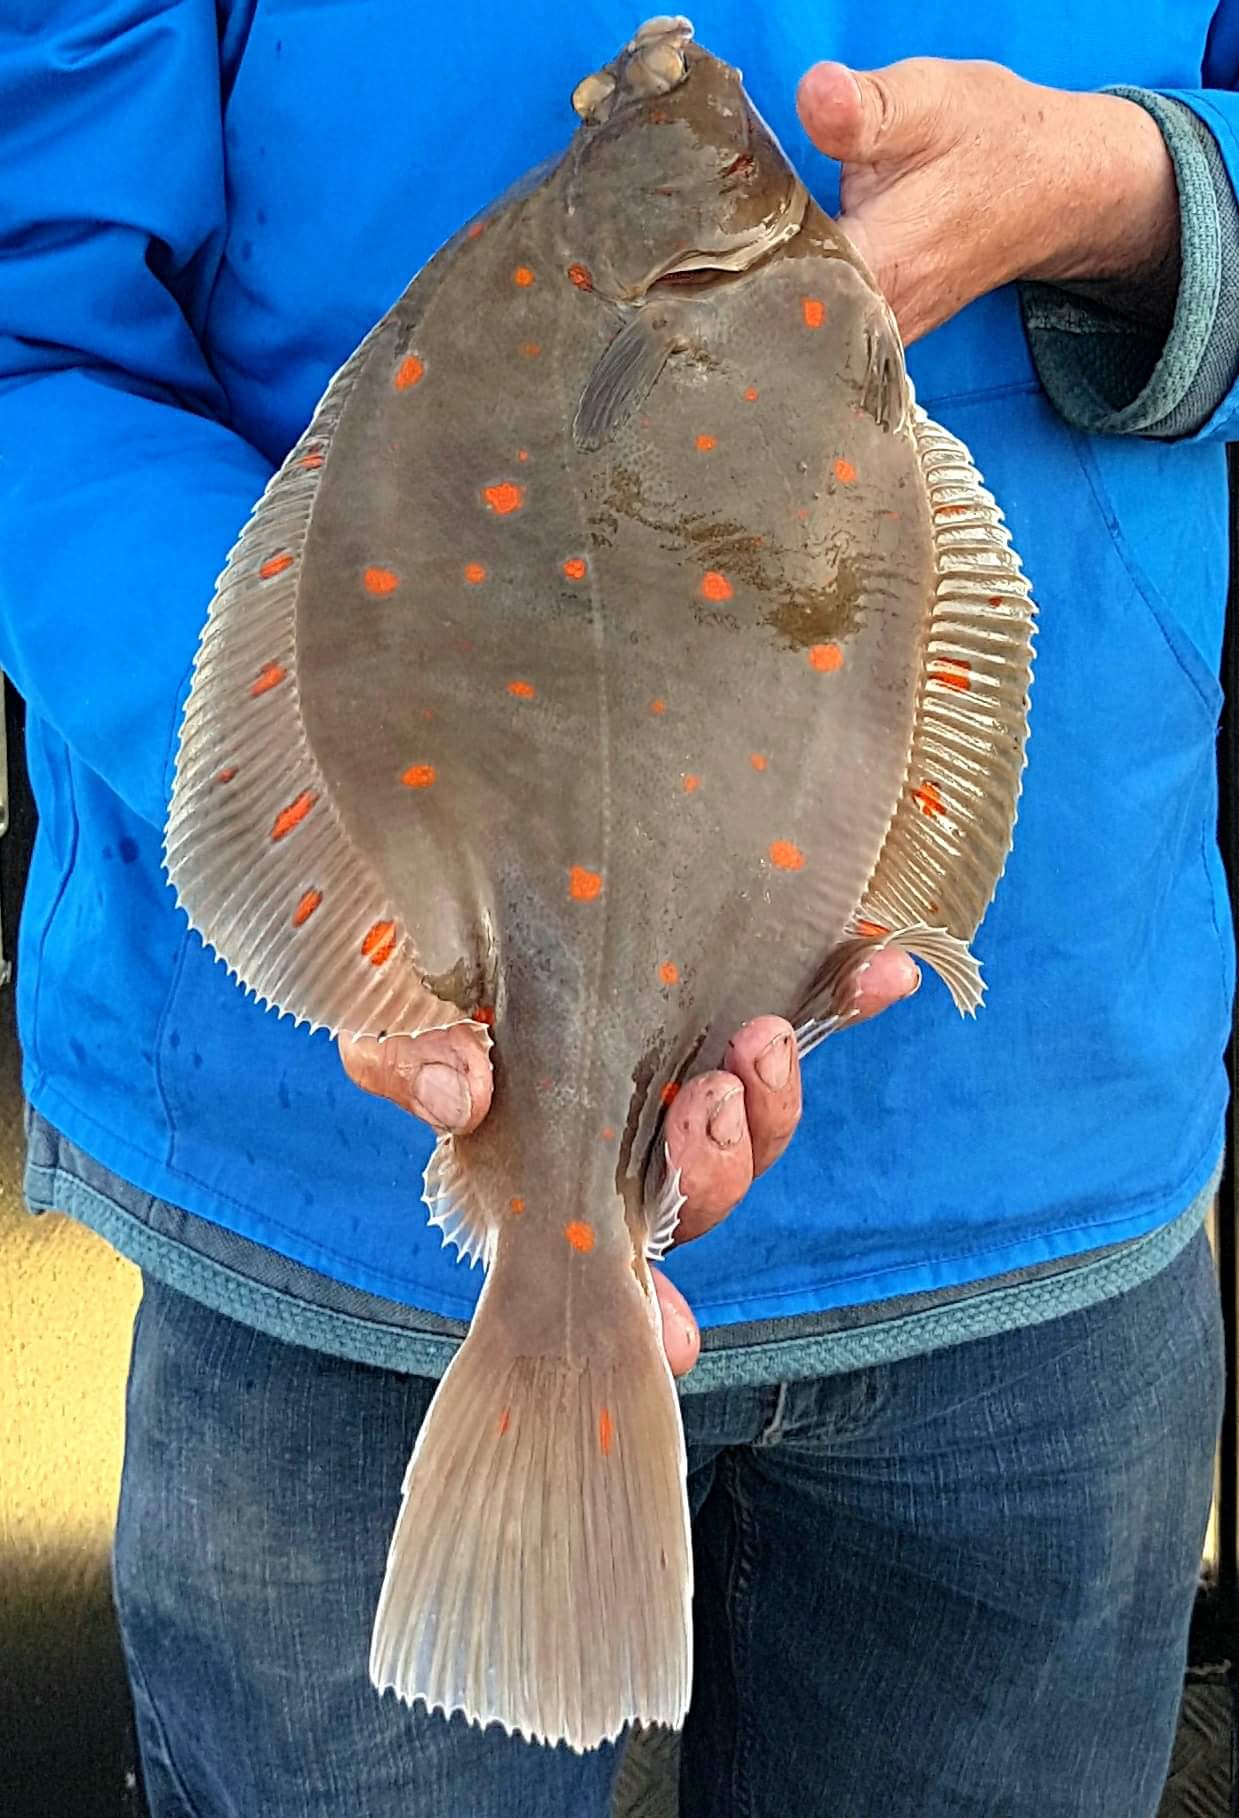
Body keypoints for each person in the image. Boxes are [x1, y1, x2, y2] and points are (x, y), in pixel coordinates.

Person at [1, 4, 1235, 1814]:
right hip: (330, 1225)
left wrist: (1146, 196)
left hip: (1041, 1142)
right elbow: (32, 317)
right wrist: (349, 852)